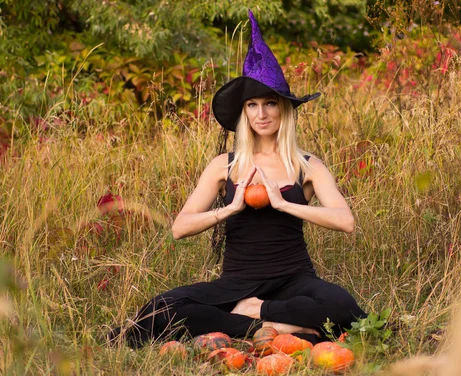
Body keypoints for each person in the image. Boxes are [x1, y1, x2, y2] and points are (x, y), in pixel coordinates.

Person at [109, 10, 366, 348]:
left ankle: (259, 313)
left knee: (341, 306)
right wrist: (228, 209)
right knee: (161, 309)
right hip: (237, 283)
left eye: (271, 104)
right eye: (253, 105)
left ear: (284, 110)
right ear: (244, 112)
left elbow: (345, 221)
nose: (262, 114)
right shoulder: (223, 166)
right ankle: (271, 327)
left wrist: (285, 205)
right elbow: (179, 227)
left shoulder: (308, 166)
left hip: (294, 281)